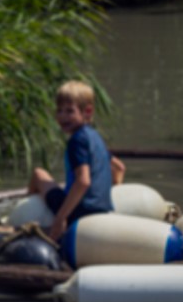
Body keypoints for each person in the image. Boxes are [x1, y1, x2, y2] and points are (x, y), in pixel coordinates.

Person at [27, 80, 126, 241]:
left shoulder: (77, 140)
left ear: (87, 112)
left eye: (69, 111)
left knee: (38, 174)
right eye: (59, 110)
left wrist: (60, 218)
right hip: (102, 211)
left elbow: (83, 181)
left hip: (78, 212)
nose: (62, 117)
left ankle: (26, 214)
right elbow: (119, 168)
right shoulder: (95, 137)